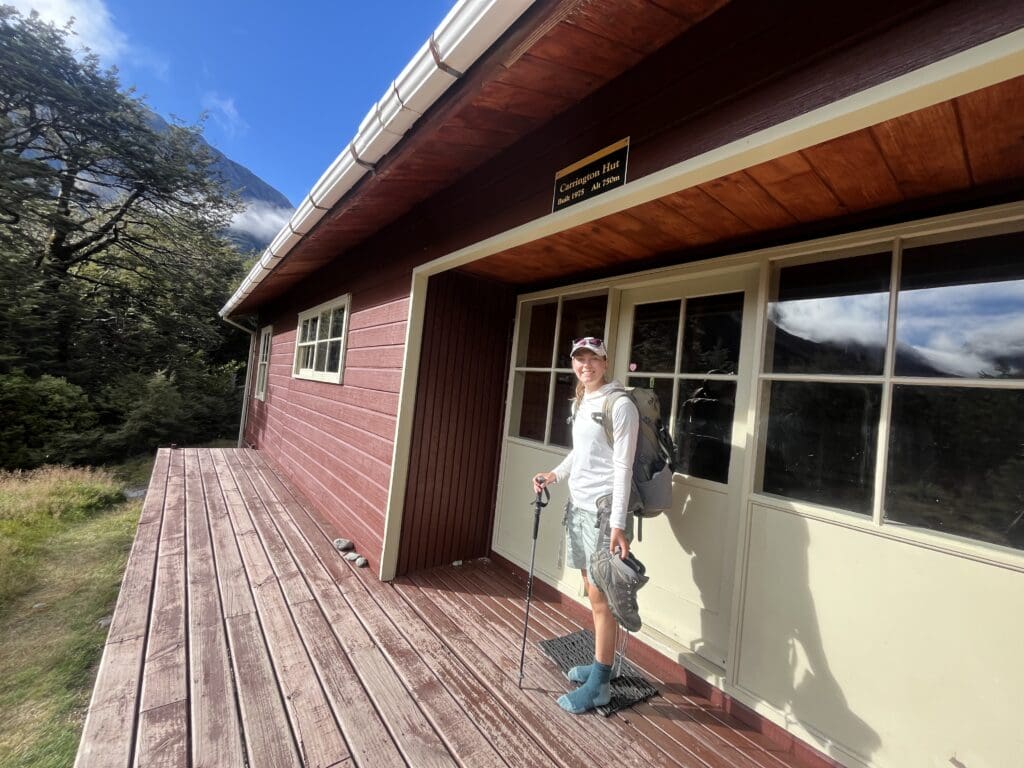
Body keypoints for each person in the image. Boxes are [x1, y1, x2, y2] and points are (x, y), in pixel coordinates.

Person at [533, 336, 639, 714]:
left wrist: (617, 524)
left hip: (602, 513)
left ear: (605, 362)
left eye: (593, 359)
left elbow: (622, 467)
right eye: (579, 359)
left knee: (601, 599)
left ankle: (600, 684)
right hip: (576, 508)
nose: (585, 365)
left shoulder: (620, 404)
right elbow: (582, 452)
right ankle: (599, 667)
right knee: (590, 589)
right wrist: (555, 475)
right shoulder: (582, 400)